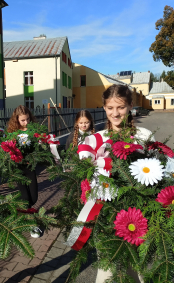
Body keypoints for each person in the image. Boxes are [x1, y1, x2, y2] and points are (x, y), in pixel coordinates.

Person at [90, 84, 153, 283]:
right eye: (110, 108)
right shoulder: (97, 140)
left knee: (137, 270)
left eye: (121, 107)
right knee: (106, 271)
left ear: (130, 106)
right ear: (104, 108)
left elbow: (155, 176)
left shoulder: (144, 136)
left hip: (138, 216)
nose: (115, 113)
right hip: (107, 216)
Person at [6, 105, 41, 237]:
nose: (26, 123)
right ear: (17, 120)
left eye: (27, 120)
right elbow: (8, 149)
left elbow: (38, 148)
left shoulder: (33, 131)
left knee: (34, 197)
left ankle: (20, 213)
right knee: (25, 198)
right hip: (18, 168)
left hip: (30, 167)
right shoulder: (13, 134)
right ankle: (31, 224)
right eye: (23, 120)